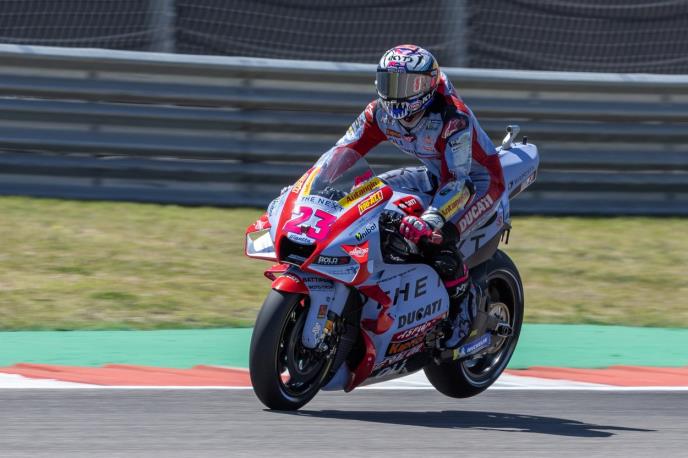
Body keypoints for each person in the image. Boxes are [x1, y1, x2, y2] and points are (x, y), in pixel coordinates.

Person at [335, 44, 506, 348]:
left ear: (427, 85)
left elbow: (459, 182)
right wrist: (308, 186)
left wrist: (430, 221)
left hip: (478, 184)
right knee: (360, 198)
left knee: (435, 238)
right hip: (434, 175)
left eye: (407, 85)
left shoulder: (453, 118)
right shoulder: (379, 112)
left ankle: (463, 312)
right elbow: (343, 151)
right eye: (390, 83)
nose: (396, 94)